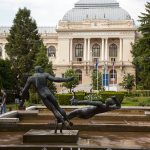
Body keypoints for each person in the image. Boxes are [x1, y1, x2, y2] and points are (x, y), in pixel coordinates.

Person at [20, 66, 74, 131]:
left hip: (43, 95)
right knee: (58, 107)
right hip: (49, 93)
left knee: (54, 110)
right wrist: (67, 79)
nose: (42, 69)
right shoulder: (45, 75)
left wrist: (22, 101)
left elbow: (24, 90)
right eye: (41, 68)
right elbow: (56, 79)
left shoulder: (31, 78)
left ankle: (65, 123)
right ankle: (68, 120)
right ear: (39, 70)